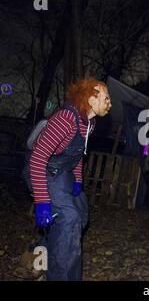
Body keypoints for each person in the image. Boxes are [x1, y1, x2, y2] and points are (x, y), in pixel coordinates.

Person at [27, 77, 111, 280]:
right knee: (69, 219)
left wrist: (79, 180)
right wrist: (42, 202)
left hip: (61, 173)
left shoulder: (89, 122)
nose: (110, 103)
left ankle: (43, 250)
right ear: (92, 98)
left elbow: (76, 154)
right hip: (41, 172)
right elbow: (38, 159)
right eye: (106, 97)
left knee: (81, 214)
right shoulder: (66, 118)